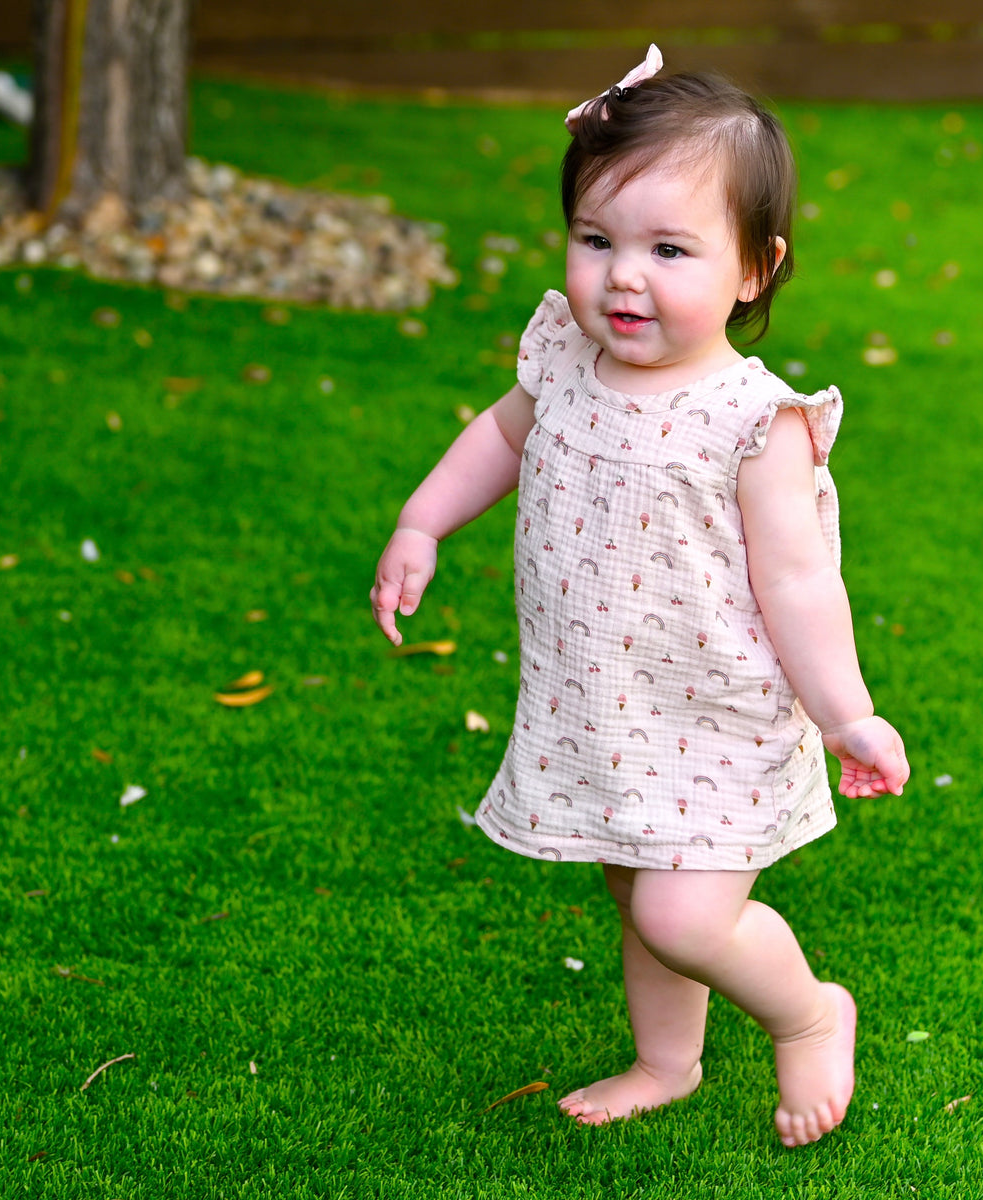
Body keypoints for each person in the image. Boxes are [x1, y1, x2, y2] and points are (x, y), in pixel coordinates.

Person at [371, 46, 911, 1148]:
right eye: (595, 241)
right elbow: (498, 437)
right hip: (607, 705)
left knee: (681, 911)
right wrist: (423, 521)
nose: (623, 277)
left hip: (711, 710)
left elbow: (802, 580)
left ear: (754, 270)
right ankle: (667, 1060)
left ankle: (809, 1015)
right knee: (636, 895)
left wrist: (845, 708)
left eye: (668, 249)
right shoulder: (566, 356)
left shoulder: (753, 423)